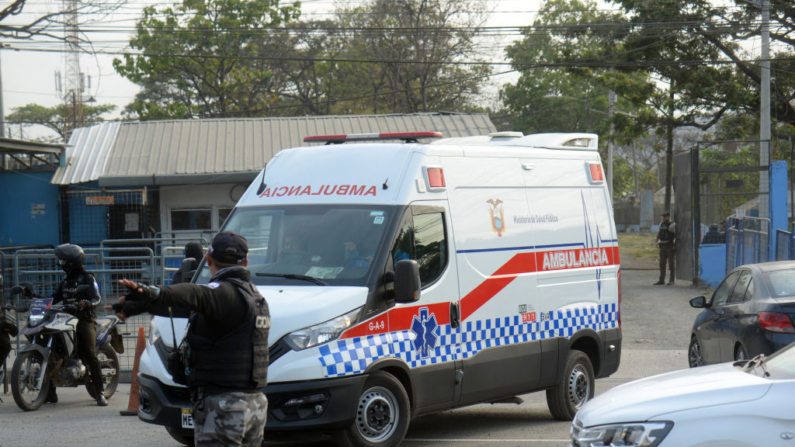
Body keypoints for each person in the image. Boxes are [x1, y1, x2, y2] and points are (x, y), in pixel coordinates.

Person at [111, 231, 270, 447]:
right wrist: (138, 305)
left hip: (224, 406)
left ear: (209, 260)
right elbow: (186, 306)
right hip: (255, 404)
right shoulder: (253, 296)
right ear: (246, 262)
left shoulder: (220, 293)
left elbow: (194, 294)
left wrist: (153, 292)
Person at [22, 244, 107, 406]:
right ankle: (49, 393)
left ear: (71, 262)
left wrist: (86, 303)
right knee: (52, 351)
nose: (60, 263)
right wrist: (33, 296)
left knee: (90, 354)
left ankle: (100, 392)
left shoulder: (88, 277)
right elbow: (53, 299)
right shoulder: (66, 281)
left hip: (84, 319)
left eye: (62, 260)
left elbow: (97, 298)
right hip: (66, 318)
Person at [654, 212, 676, 286]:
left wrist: (675, 245)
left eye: (665, 216)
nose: (663, 218)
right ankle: (661, 280)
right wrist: (656, 241)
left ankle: (671, 280)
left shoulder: (672, 225)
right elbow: (659, 233)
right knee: (662, 264)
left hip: (670, 246)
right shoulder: (661, 224)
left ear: (669, 217)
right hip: (662, 245)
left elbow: (676, 235)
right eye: (663, 216)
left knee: (671, 264)